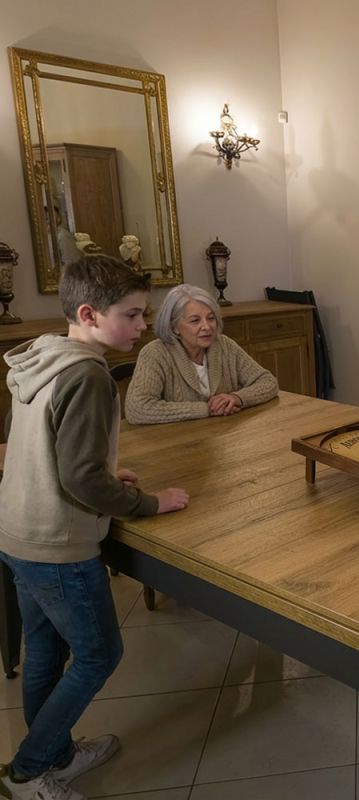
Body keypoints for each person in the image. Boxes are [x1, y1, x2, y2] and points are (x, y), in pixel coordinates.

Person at [0, 256, 189, 800]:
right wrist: (147, 502)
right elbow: (81, 478)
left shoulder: (42, 357)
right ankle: (29, 771)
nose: (142, 325)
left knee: (44, 650)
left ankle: (54, 755)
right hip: (57, 544)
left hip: (17, 530)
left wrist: (102, 472)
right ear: (88, 313)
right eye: (131, 315)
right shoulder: (88, 375)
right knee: (99, 655)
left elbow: (41, 449)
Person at [125, 284, 278, 424]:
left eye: (211, 318)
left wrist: (237, 398)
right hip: (176, 444)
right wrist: (206, 409)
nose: (207, 327)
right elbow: (137, 409)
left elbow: (268, 382)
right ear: (174, 326)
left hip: (225, 437)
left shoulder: (224, 345)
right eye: (195, 321)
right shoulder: (155, 353)